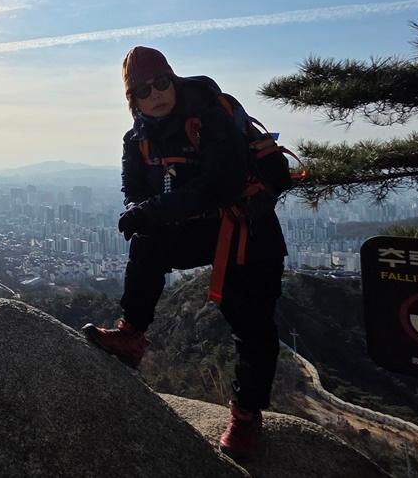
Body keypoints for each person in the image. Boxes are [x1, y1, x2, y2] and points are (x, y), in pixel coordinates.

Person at [82, 45, 288, 463]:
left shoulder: (210, 117)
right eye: (143, 90)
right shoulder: (137, 139)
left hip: (248, 223)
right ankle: (131, 335)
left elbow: (221, 185)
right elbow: (135, 192)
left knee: (248, 319)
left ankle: (247, 415)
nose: (155, 94)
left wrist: (152, 211)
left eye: (162, 83)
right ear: (132, 100)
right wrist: (139, 213)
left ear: (173, 80)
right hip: (198, 225)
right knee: (147, 243)